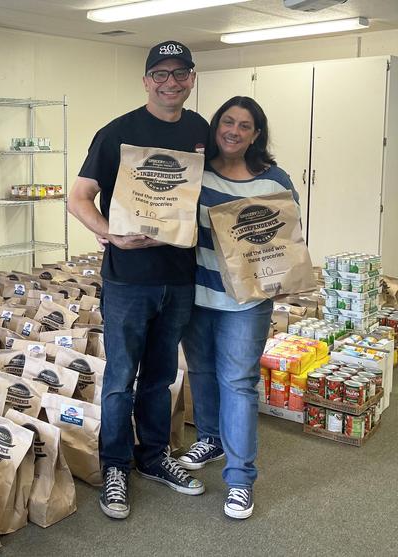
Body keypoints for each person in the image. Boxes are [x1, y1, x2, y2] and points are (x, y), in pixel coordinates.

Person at [68, 40, 208, 520]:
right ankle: (114, 466)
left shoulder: (200, 130)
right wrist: (109, 233)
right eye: (161, 74)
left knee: (161, 376)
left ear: (192, 78)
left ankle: (153, 457)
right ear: (146, 80)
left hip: (180, 276)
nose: (171, 82)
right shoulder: (118, 133)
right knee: (120, 379)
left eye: (180, 73)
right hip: (129, 279)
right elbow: (79, 197)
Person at [178, 96, 299, 520]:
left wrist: (282, 278)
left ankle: (240, 480)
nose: (234, 131)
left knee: (239, 382)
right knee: (202, 372)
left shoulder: (274, 180)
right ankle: (211, 438)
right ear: (216, 127)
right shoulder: (197, 172)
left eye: (244, 125)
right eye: (227, 122)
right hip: (197, 293)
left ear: (256, 134)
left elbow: (287, 239)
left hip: (246, 301)